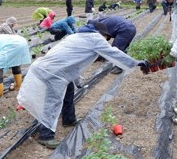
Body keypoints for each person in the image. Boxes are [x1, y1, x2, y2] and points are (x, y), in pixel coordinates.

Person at [17, 22, 149, 149]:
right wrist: (136, 63)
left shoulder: (77, 36)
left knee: (68, 91)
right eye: (106, 38)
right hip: (52, 73)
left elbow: (72, 61)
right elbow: (114, 53)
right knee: (53, 101)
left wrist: (78, 82)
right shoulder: (96, 38)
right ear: (102, 34)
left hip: (50, 69)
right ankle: (45, 136)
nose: (106, 40)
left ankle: (69, 119)